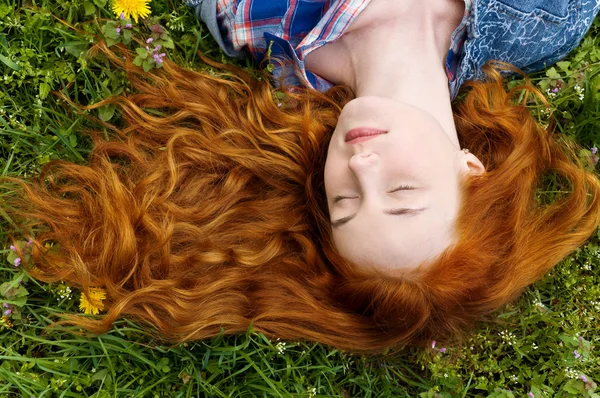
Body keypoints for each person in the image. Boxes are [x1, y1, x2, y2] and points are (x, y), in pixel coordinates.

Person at [6, 0, 600, 353]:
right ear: (471, 171)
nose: (361, 166)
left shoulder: (253, 19)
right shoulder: (544, 20)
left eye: (343, 201)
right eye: (400, 193)